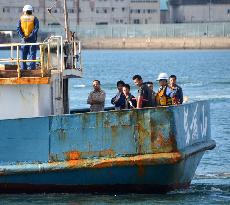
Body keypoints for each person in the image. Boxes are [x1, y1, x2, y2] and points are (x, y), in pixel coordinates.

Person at [16, 5, 39, 70]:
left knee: (23, 54)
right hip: (32, 40)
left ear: (24, 11)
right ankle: (32, 69)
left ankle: (23, 68)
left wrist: (23, 36)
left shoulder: (21, 18)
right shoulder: (34, 18)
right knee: (32, 54)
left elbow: (18, 29)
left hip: (24, 40)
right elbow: (36, 29)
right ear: (31, 11)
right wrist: (30, 36)